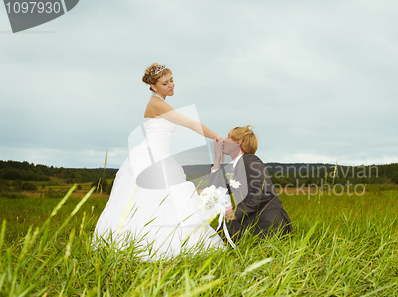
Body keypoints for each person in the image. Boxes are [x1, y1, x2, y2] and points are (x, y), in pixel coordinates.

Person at [93, 63, 225, 260]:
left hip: (160, 157)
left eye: (171, 80)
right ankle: (152, 244)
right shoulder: (157, 103)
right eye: (165, 83)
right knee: (151, 201)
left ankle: (165, 241)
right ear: (153, 86)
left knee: (169, 201)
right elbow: (189, 123)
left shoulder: (161, 101)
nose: (171, 85)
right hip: (151, 159)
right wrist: (216, 137)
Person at [209, 126, 292, 242]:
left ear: (239, 142)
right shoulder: (237, 167)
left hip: (269, 227)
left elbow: (264, 191)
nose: (223, 140)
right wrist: (217, 159)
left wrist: (237, 212)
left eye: (228, 137)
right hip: (255, 224)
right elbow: (216, 188)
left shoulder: (250, 160)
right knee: (219, 240)